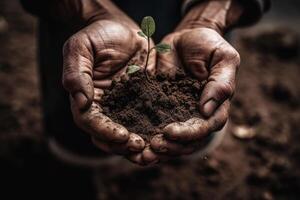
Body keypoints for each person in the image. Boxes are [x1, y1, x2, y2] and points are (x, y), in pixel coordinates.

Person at [19, 0, 270, 197]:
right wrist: (90, 11)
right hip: (88, 27)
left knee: (200, 101)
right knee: (81, 126)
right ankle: (85, 166)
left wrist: (208, 19)